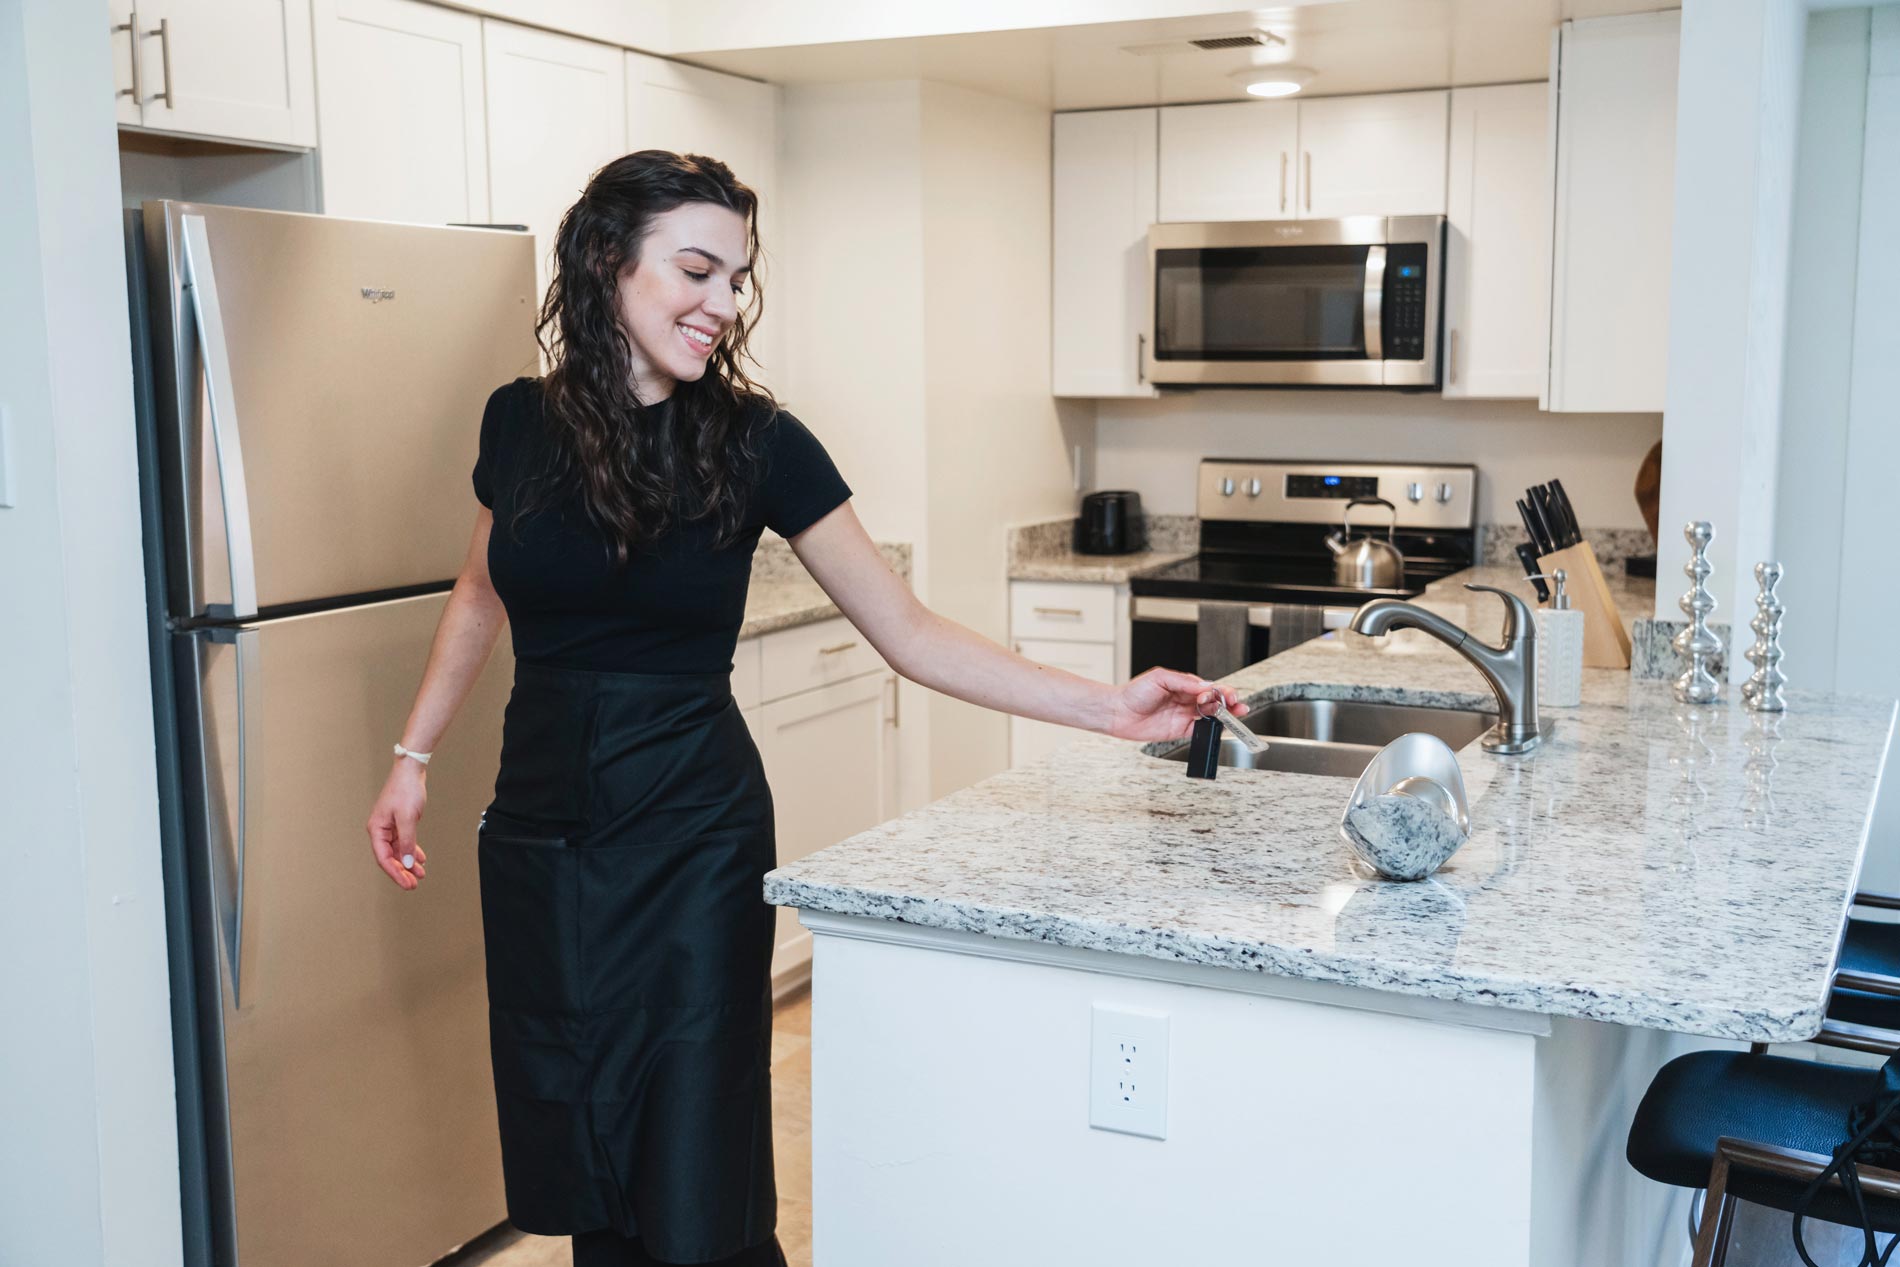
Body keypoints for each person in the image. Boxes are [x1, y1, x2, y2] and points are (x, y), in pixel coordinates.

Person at [364, 150, 1245, 1267]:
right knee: (582, 1133)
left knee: (694, 1157)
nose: (722, 305)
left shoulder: (755, 442)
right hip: (544, 829)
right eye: (697, 270)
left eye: (736, 278)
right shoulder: (518, 424)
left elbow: (910, 630)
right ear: (604, 260)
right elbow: (483, 589)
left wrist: (1107, 707)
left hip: (689, 833)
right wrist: (414, 755)